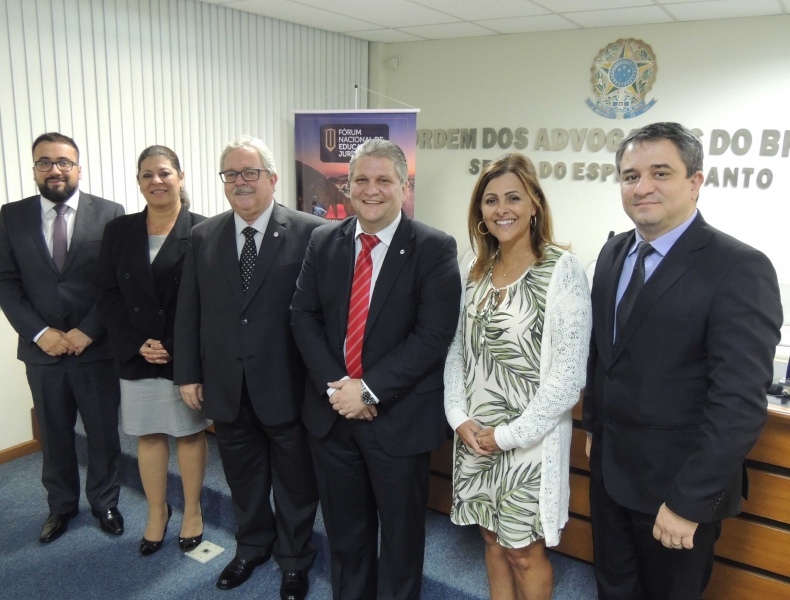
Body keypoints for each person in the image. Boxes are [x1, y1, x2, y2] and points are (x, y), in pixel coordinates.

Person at [583, 122, 783, 600]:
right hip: (611, 478)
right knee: (612, 590)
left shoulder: (738, 267)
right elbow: (603, 356)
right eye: (630, 176)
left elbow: (737, 403)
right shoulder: (614, 253)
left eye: (660, 173)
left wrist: (688, 502)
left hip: (675, 492)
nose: (642, 187)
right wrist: (593, 427)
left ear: (695, 181)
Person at [291, 139, 462, 600]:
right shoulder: (324, 240)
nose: (371, 190)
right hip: (333, 418)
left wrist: (366, 391)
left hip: (398, 421)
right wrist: (340, 391)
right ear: (347, 187)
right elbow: (302, 316)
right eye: (361, 180)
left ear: (403, 186)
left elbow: (432, 336)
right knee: (347, 537)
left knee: (402, 541)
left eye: (383, 180)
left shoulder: (434, 247)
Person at [173, 136, 322, 598]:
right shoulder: (203, 236)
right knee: (242, 477)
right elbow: (189, 310)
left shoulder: (312, 232)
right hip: (226, 384)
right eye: (231, 174)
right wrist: (187, 373)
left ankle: (295, 559)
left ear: (272, 179)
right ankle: (252, 545)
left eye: (250, 173)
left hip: (288, 384)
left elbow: (322, 315)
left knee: (295, 482)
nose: (240, 182)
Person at [444, 153, 592, 600]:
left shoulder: (561, 270)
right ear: (480, 212)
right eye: (490, 200)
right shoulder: (477, 268)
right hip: (474, 435)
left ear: (534, 205)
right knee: (491, 539)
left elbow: (568, 377)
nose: (501, 208)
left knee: (524, 551)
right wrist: (458, 417)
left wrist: (508, 435)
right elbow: (457, 350)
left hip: (529, 441)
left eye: (513, 197)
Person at [0, 132, 125, 543]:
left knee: (103, 434)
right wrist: (39, 332)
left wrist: (88, 329)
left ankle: (105, 502)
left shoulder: (110, 213)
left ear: (79, 168)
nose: (55, 170)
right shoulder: (12, 215)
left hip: (95, 348)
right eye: (45, 162)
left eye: (64, 162)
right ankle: (61, 506)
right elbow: (5, 280)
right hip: (42, 352)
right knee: (54, 434)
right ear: (34, 170)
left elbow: (117, 282)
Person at [97, 145, 210, 555]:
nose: (156, 181)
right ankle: (157, 512)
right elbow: (108, 295)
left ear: (180, 177)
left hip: (184, 353)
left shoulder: (203, 229)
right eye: (147, 174)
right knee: (149, 435)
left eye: (164, 172)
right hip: (136, 352)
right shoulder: (119, 231)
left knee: (189, 434)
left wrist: (175, 346)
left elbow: (210, 300)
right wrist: (135, 343)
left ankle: (193, 511)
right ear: (139, 182)